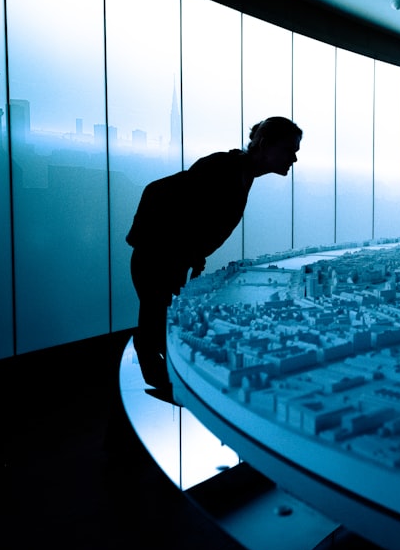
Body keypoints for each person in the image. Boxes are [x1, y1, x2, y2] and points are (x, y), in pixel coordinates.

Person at [126, 116, 303, 393]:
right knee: (155, 335)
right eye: (289, 149)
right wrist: (181, 252)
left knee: (159, 331)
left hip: (164, 261)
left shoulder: (239, 171)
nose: (293, 158)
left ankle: (164, 388)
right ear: (265, 144)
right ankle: (160, 392)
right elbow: (171, 201)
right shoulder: (225, 168)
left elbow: (195, 217)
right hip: (157, 261)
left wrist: (192, 255)